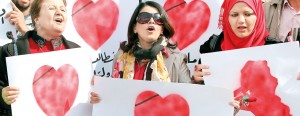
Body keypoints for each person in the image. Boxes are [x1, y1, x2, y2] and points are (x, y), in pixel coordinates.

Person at [90, 1, 205, 104]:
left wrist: (196, 83)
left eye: (157, 19)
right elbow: (115, 96)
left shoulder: (176, 58)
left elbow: (188, 99)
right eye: (144, 17)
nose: (151, 21)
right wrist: (101, 97)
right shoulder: (121, 56)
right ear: (135, 28)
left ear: (162, 29)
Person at [199, 0, 281, 115]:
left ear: (258, 15)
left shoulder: (277, 50)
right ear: (226, 16)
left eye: (247, 14)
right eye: (234, 15)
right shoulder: (211, 48)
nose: (241, 20)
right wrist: (196, 82)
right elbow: (204, 103)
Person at [0, 0, 80, 115]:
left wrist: (93, 96)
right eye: (52, 8)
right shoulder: (10, 51)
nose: (59, 12)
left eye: (63, 10)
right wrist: (3, 96)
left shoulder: (78, 52)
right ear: (36, 18)